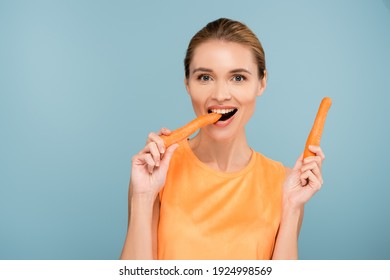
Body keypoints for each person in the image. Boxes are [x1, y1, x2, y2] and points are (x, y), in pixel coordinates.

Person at [120, 18, 325, 260]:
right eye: (205, 77)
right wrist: (143, 196)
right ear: (187, 83)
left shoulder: (286, 184)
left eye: (238, 78)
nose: (220, 95)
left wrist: (292, 208)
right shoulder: (155, 173)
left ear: (262, 82)